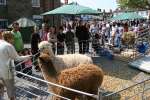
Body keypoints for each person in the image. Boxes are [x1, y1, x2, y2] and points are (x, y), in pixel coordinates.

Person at [0, 31, 31, 100]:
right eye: (12, 38)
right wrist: (28, 56)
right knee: (10, 90)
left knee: (1, 88)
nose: (13, 40)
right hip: (7, 72)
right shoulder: (8, 46)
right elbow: (17, 58)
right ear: (8, 38)